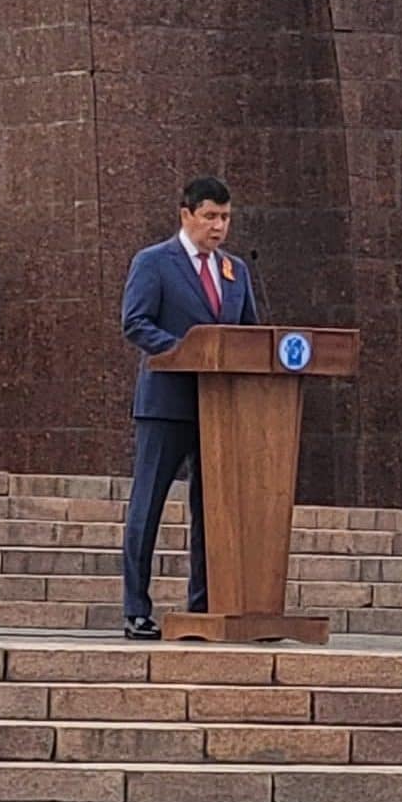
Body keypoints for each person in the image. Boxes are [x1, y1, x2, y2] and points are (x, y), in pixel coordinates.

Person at [120, 175, 258, 641]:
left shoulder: (235, 270)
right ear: (186, 215)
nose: (218, 227)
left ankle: (204, 604)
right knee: (148, 505)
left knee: (211, 508)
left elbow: (249, 334)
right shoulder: (154, 262)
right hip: (166, 402)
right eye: (210, 217)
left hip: (218, 408)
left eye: (225, 218)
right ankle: (136, 609)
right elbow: (135, 322)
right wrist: (186, 351)